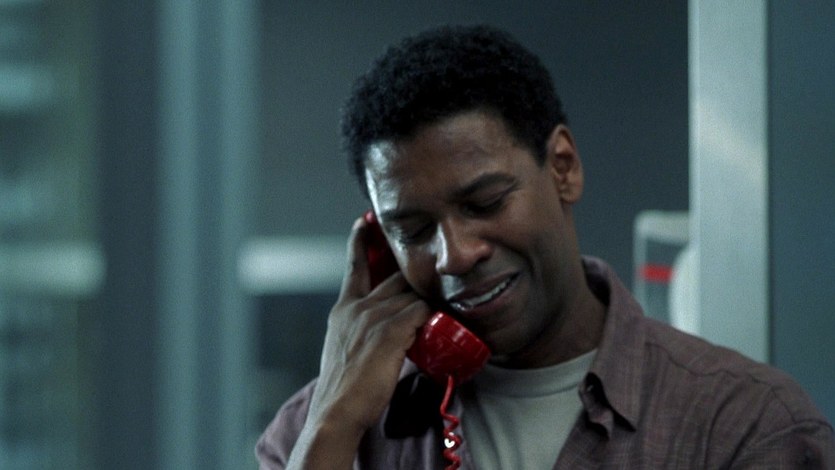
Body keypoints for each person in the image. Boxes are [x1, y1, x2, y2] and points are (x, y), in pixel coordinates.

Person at [256, 25, 834, 469]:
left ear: (562, 167)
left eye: (484, 203)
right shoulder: (316, 429)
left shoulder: (744, 425)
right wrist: (332, 426)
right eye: (412, 230)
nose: (454, 255)